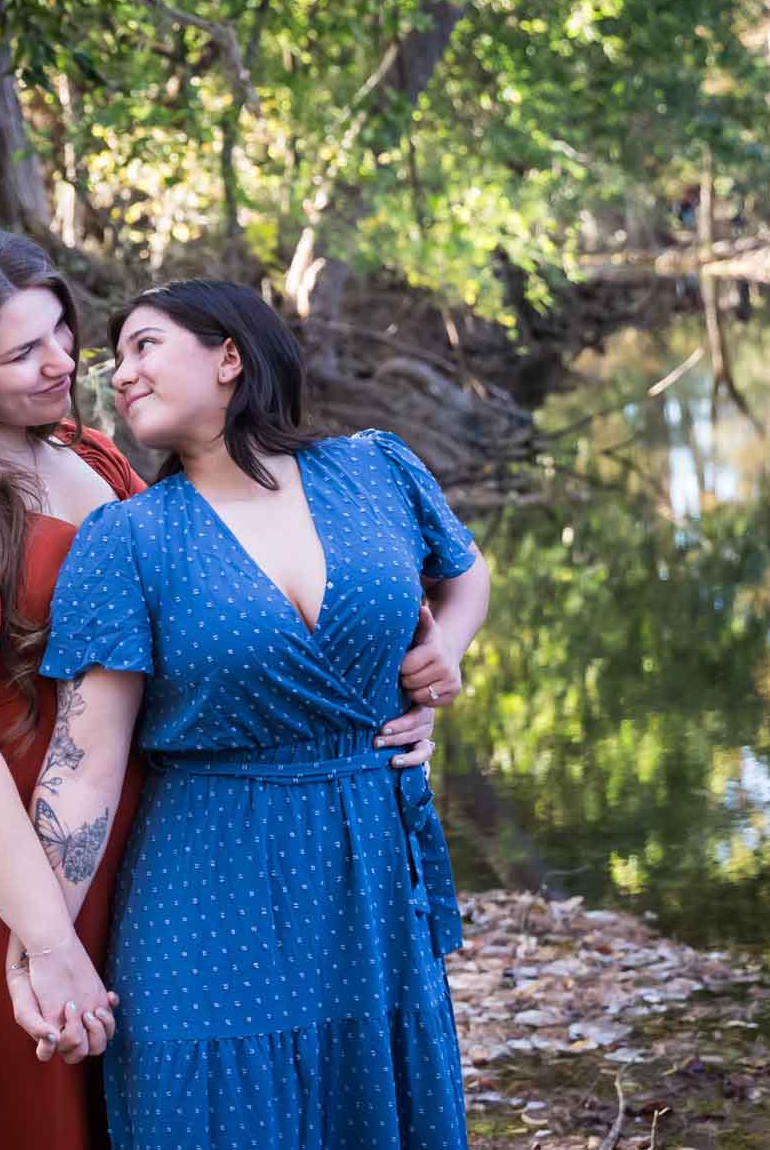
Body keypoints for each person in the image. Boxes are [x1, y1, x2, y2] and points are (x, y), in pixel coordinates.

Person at [0, 224, 438, 1150]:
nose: (63, 362)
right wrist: (47, 938)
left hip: (148, 831)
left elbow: (214, 607)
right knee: (39, 1118)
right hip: (2, 850)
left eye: (64, 333)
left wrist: (392, 687)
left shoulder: (88, 454)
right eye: (23, 351)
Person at [25, 279, 492, 1148]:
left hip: (369, 874)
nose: (119, 374)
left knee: (374, 1106)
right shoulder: (126, 539)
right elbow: (83, 765)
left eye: (144, 346)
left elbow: (464, 571)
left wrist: (446, 651)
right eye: (115, 358)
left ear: (229, 356)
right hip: (207, 881)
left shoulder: (375, 469)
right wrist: (41, 947)